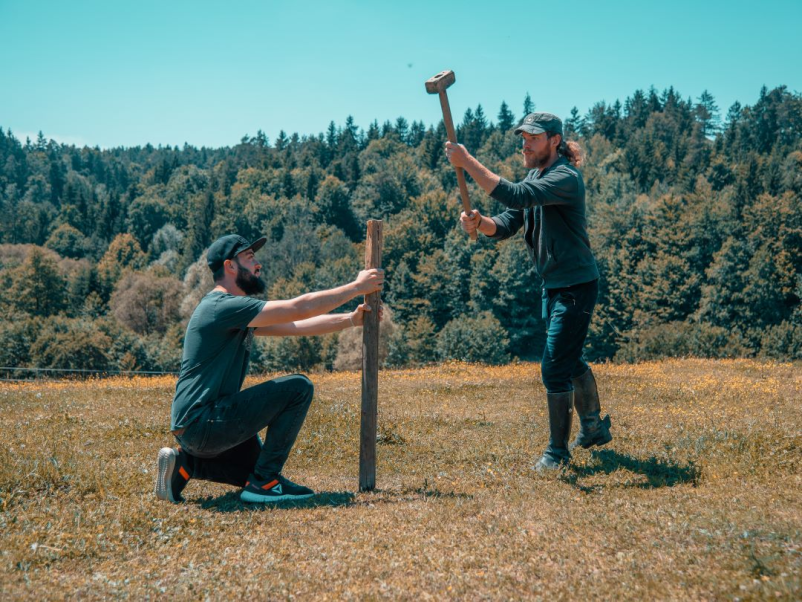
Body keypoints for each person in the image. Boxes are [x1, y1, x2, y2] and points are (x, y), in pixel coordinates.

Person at [155, 234, 384, 503]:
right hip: (204, 423)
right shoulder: (222, 306)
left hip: (194, 430)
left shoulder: (230, 311)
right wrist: (356, 287)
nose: (258, 265)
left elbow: (296, 326)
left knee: (253, 470)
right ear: (230, 266)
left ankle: (185, 465)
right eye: (250, 258)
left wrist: (350, 319)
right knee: (298, 388)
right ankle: (265, 483)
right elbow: (299, 308)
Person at [445, 112, 612, 470]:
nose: (525, 145)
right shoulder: (537, 176)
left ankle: (557, 453)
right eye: (523, 138)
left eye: (533, 138)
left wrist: (466, 161)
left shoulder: (564, 177)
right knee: (568, 357)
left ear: (555, 141)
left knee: (554, 367)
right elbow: (508, 222)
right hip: (554, 285)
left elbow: (515, 195)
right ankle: (594, 427)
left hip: (576, 285)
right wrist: (480, 223)